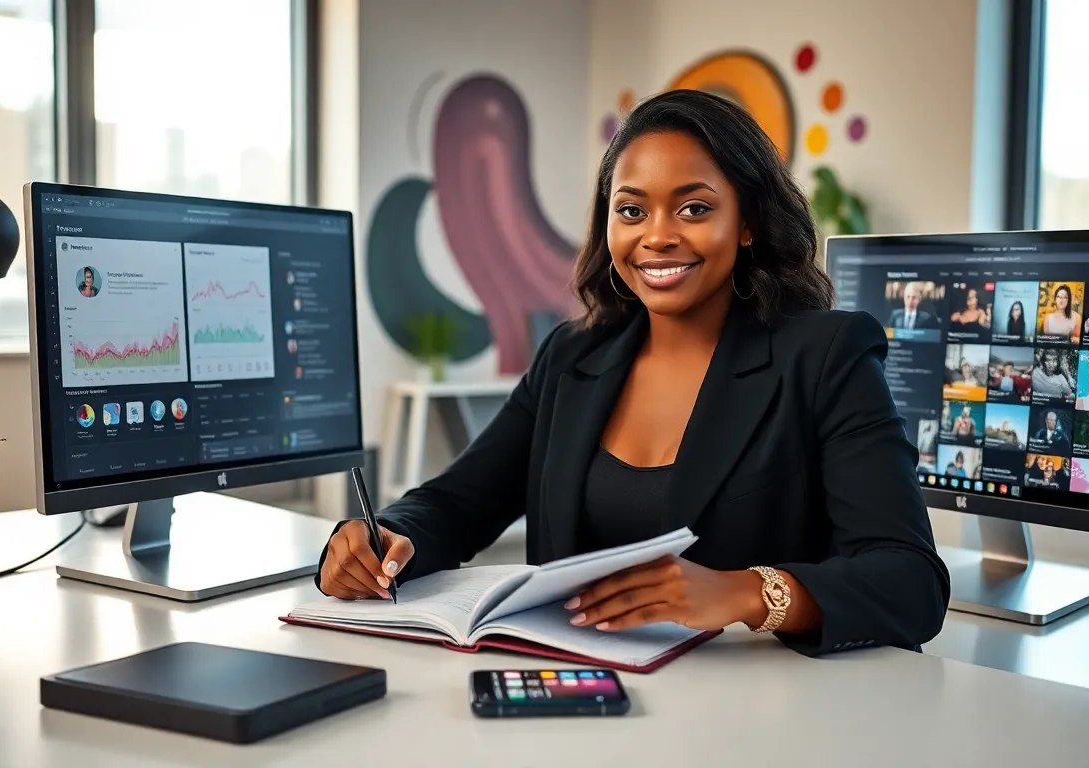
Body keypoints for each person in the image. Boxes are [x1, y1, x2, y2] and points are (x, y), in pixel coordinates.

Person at [314, 89, 949, 655]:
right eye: (632, 210)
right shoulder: (572, 357)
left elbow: (910, 578)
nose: (658, 237)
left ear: (748, 222)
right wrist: (384, 538)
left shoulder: (826, 355)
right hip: (589, 699)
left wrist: (745, 592)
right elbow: (459, 502)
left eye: (694, 209)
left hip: (762, 721)